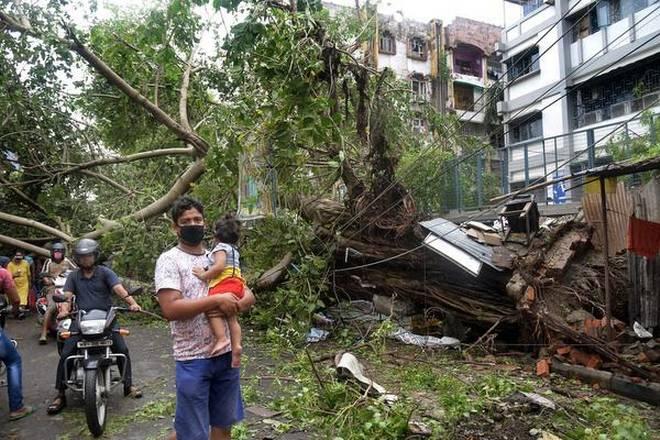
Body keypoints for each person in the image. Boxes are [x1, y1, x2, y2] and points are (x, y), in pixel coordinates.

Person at [155, 196, 255, 440]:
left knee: (222, 424)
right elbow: (170, 308)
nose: (193, 224)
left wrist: (237, 304)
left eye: (197, 219)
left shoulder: (217, 256)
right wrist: (215, 302)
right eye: (186, 221)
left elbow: (247, 292)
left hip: (225, 356)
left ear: (205, 223)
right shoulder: (169, 260)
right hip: (192, 358)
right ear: (175, 227)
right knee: (192, 432)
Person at [47, 238, 143, 415]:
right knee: (66, 352)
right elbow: (67, 297)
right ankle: (60, 393)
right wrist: (64, 310)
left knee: (122, 348)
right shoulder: (74, 276)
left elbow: (119, 289)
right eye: (82, 257)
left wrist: (132, 303)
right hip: (82, 319)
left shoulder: (105, 272)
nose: (86, 260)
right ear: (77, 258)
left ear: (95, 256)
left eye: (89, 256)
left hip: (106, 318)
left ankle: (128, 385)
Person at [192, 213, 245, 366]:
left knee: (210, 309)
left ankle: (222, 338)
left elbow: (219, 266)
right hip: (237, 285)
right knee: (232, 318)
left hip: (224, 285)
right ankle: (236, 346)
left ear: (217, 235)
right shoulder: (234, 250)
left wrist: (204, 275)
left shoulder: (221, 248)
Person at [0, 266, 33, 421]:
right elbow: (15, 299)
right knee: (13, 361)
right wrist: (15, 311)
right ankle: (17, 407)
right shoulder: (3, 273)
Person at [38, 243, 77, 344]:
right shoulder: (48, 261)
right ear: (52, 253)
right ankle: (43, 334)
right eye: (56, 252)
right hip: (52, 288)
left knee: (76, 304)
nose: (57, 254)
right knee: (51, 307)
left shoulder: (68, 261)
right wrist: (47, 280)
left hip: (67, 287)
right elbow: (43, 274)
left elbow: (77, 270)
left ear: (63, 252)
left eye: (60, 252)